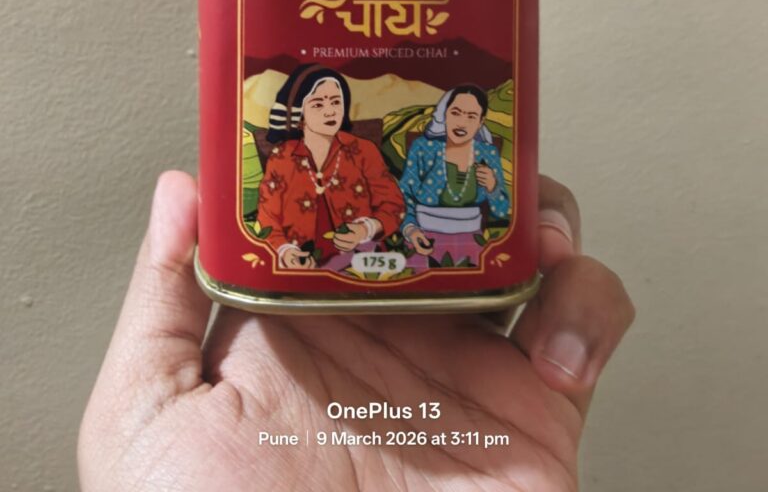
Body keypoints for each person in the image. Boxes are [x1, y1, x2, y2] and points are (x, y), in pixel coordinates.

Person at [78, 169, 634, 492]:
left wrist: (371, 223)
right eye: (317, 99)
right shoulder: (285, 160)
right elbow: (270, 213)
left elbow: (389, 201)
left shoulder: (360, 156)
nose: (328, 107)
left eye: (335, 100)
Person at [257, 64, 405, 269]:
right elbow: (268, 217)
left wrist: (366, 229)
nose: (330, 112)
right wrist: (286, 251)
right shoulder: (282, 157)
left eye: (336, 102)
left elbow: (393, 204)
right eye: (318, 104)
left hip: (360, 262)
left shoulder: (363, 151)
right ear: (300, 113)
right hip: (302, 263)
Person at [399, 84, 508, 267]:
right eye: (456, 113)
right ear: (445, 115)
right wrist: (411, 230)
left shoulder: (487, 153)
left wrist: (493, 186)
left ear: (481, 121)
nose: (461, 123)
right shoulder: (423, 148)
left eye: (471, 116)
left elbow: (502, 210)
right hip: (423, 237)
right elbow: (404, 195)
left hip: (471, 240)